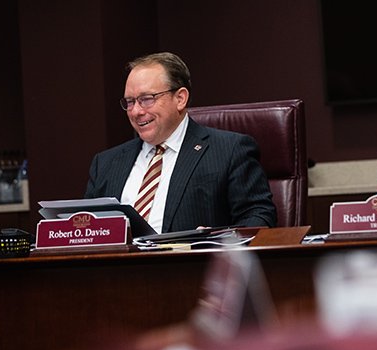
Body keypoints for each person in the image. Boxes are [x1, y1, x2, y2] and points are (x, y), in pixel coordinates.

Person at [84, 52, 277, 232]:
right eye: (130, 102)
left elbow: (258, 218)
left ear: (180, 98)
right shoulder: (106, 164)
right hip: (118, 268)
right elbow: (89, 231)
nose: (136, 111)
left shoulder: (230, 151)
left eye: (146, 99)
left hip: (194, 266)